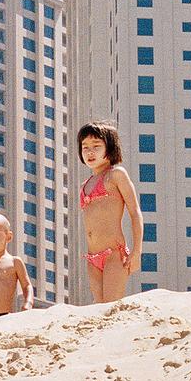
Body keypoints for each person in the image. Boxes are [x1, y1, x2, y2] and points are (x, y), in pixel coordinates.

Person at [76, 122, 144, 302]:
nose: (90, 152)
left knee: (111, 306)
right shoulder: (85, 185)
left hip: (114, 253)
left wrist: (136, 252)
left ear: (110, 147)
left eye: (96, 146)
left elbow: (135, 212)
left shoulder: (116, 174)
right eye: (85, 147)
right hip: (92, 257)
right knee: (98, 309)